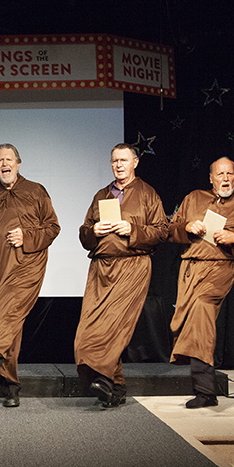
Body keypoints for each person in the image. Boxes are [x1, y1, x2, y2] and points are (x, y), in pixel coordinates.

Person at [74, 144, 168, 408]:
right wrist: (94, 231)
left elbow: (162, 231)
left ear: (135, 162)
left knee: (114, 325)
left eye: (124, 160)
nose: (118, 165)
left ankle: (104, 379)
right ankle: (116, 386)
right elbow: (84, 233)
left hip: (132, 265)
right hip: (101, 267)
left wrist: (132, 229)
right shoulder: (102, 195)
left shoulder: (148, 194)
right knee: (89, 326)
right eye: (115, 160)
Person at [168, 157, 234, 408]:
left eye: (230, 174)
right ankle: (203, 386)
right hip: (190, 268)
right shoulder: (194, 197)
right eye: (220, 174)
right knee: (188, 322)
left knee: (202, 310)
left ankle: (205, 391)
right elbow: (171, 229)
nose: (225, 178)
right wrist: (187, 226)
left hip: (220, 267)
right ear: (210, 178)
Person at [0, 144, 60, 407]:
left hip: (26, 265)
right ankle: (7, 380)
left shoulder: (36, 190)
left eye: (9, 159)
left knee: (8, 313)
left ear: (18, 163)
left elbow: (53, 227)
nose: (4, 164)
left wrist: (27, 236)